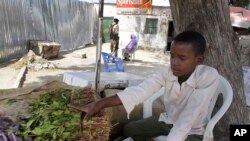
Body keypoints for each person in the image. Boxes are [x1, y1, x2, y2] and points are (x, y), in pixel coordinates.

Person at [68, 31, 220, 141]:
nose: (174, 62)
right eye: (172, 56)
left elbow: (187, 119)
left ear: (199, 60)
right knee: (128, 129)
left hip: (193, 131)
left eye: (182, 58)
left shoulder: (208, 76)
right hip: (167, 120)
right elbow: (140, 91)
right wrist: (99, 104)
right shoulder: (167, 72)